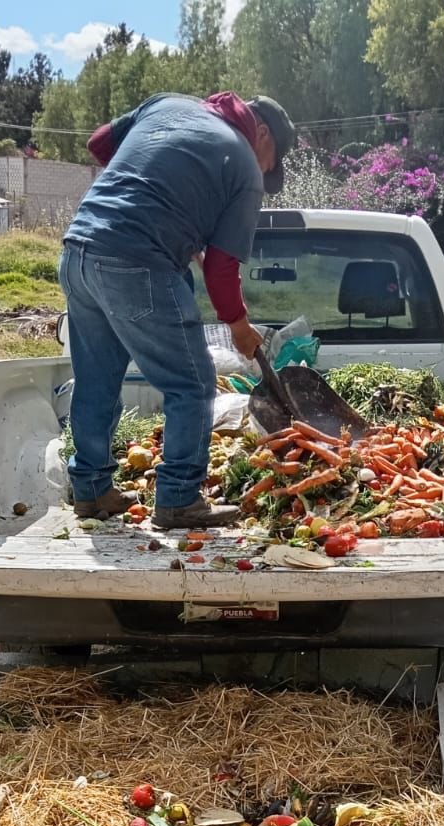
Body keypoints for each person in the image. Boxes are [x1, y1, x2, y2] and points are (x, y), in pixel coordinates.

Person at [59, 91, 296, 528]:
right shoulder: (242, 165)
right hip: (136, 262)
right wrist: (240, 328)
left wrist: (158, 197)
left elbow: (98, 143)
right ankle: (179, 499)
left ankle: (91, 490)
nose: (266, 172)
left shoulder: (167, 104)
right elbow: (222, 272)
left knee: (97, 380)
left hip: (79, 252)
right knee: (192, 384)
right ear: (260, 133)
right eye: (271, 160)